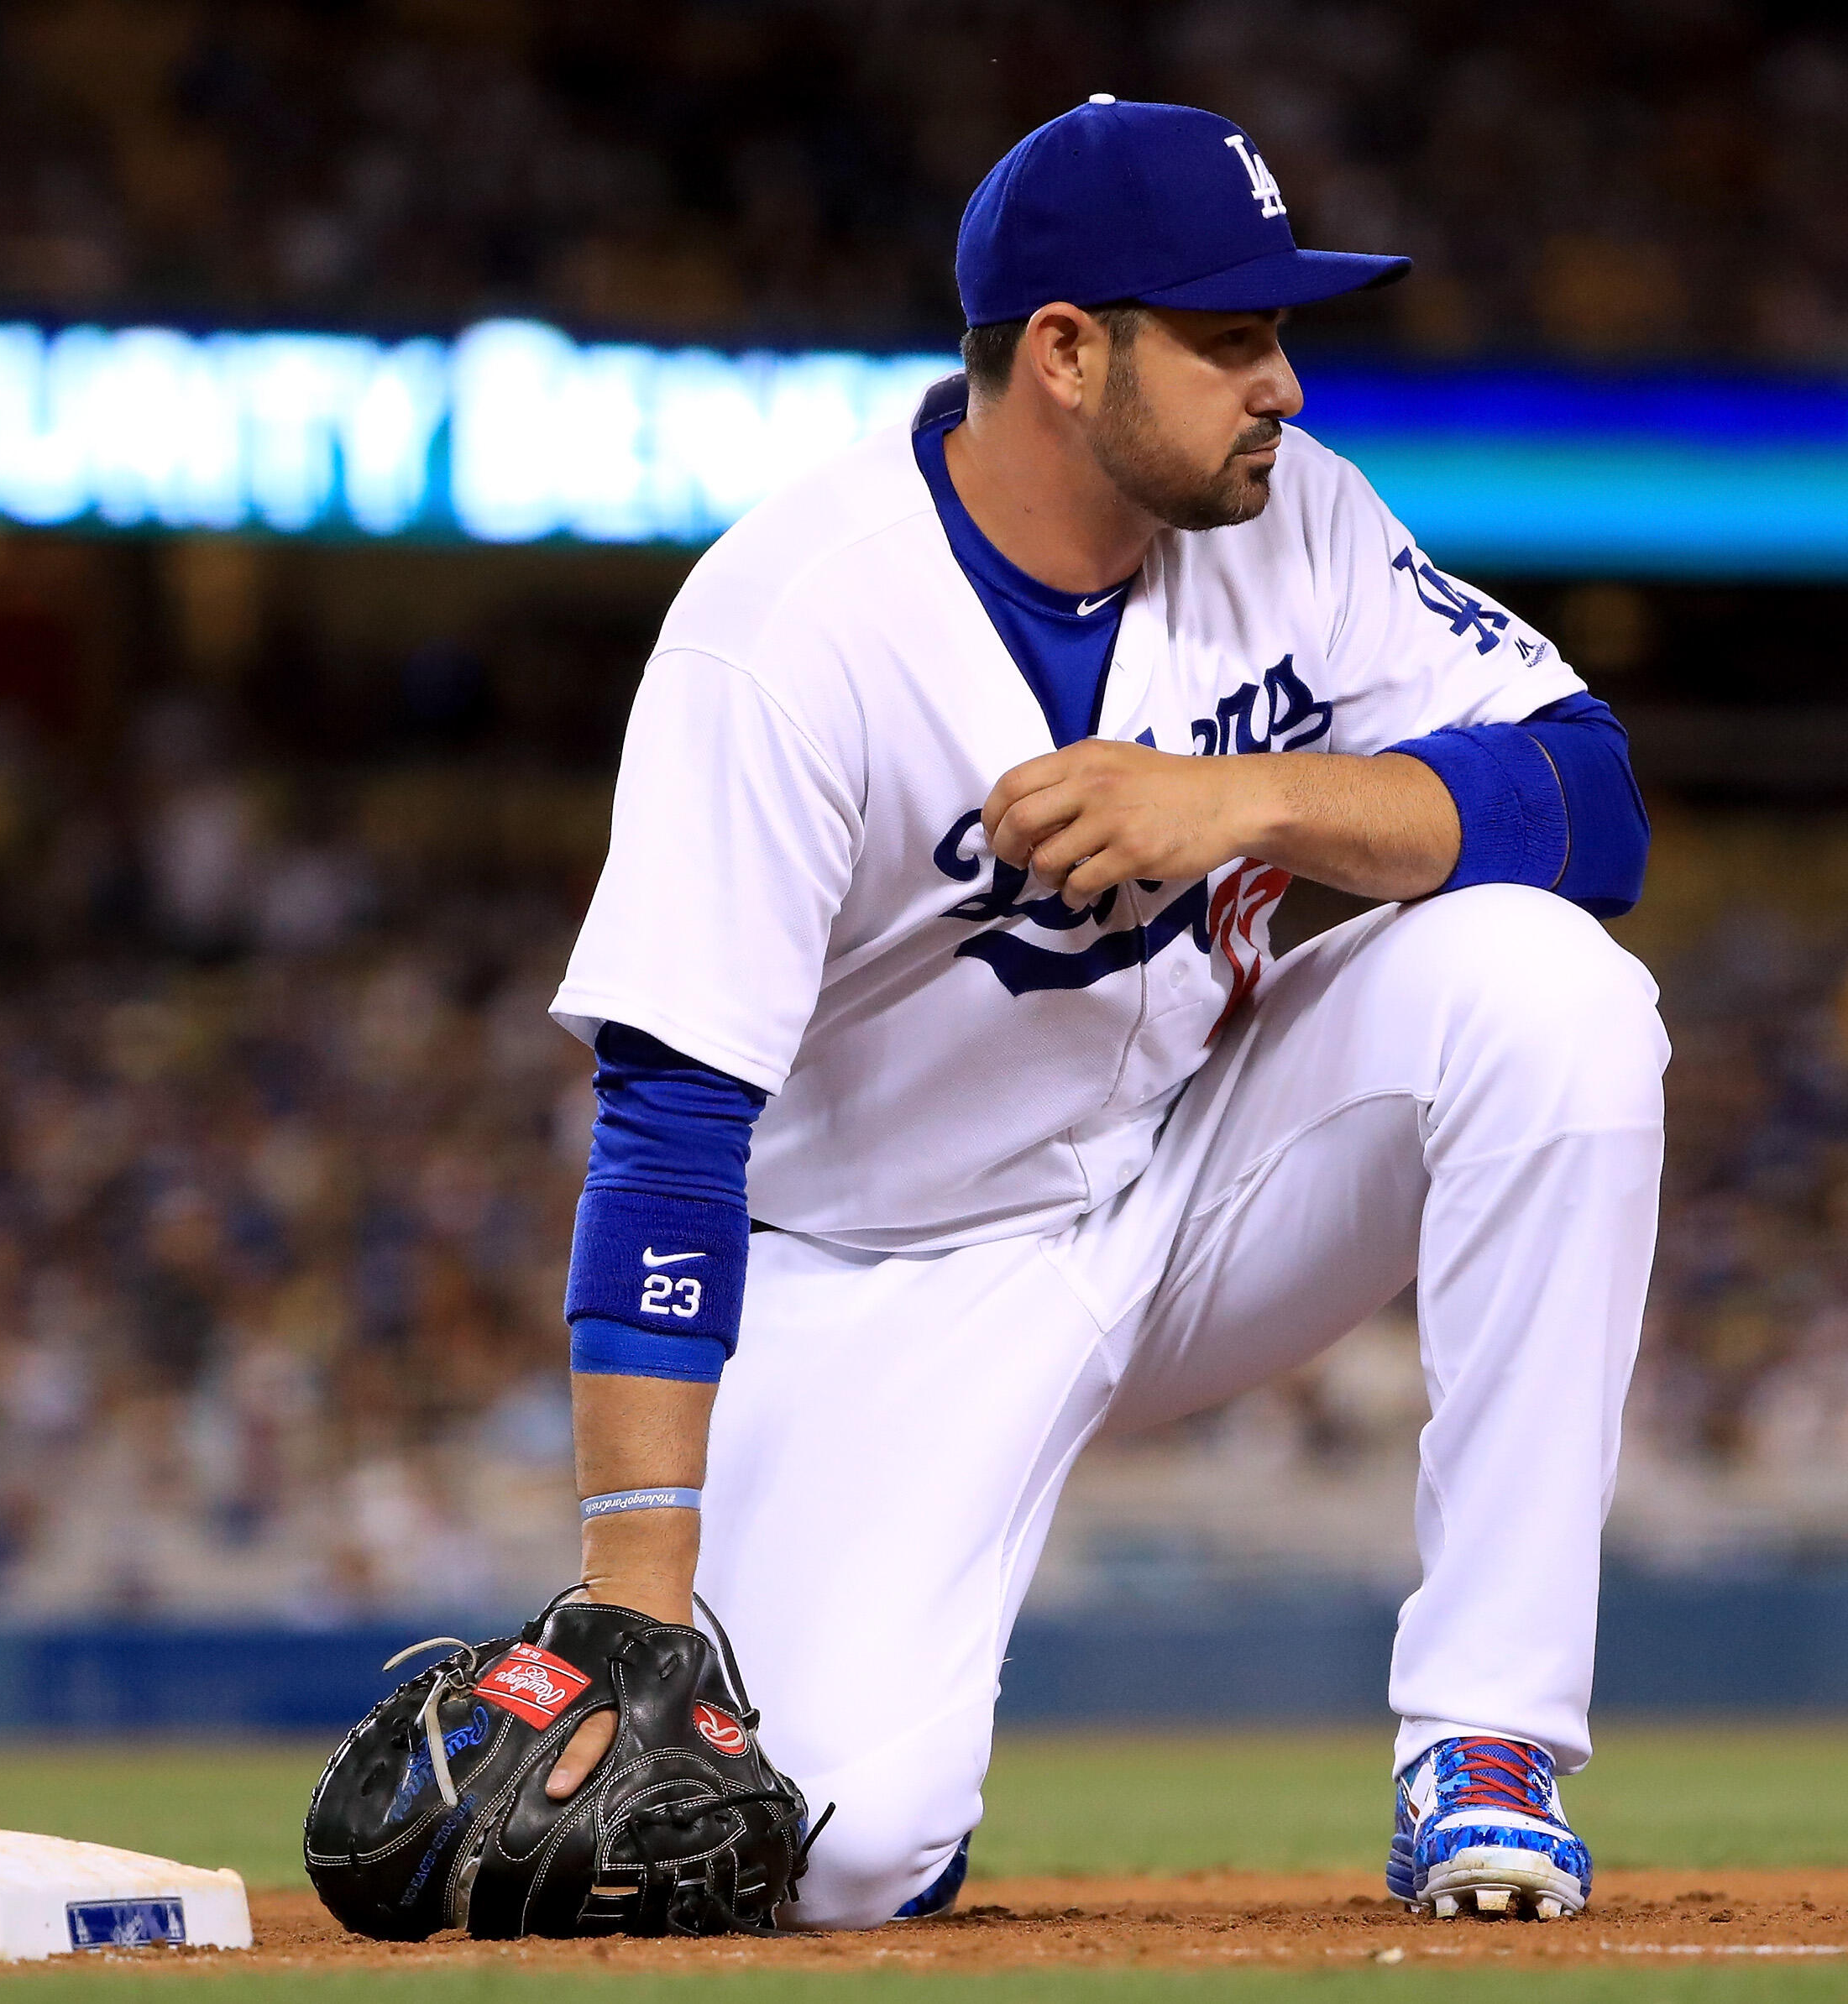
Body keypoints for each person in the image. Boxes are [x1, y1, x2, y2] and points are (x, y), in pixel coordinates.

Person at [540, 97, 1665, 1929]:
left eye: (1279, 335)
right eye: (1233, 338)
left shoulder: (1295, 520)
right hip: (889, 1268)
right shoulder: (790, 626)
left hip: (1206, 1175)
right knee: (818, 1851)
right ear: (1065, 352)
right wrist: (633, 1594)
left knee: (1557, 999)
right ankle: (879, 1741)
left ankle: (1490, 1741)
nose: (1284, 385)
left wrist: (1251, 803)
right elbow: (669, 1124)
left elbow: (1593, 803)